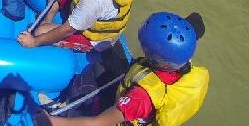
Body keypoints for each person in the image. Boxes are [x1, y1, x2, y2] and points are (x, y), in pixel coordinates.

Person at [32, 12, 210, 126]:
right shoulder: (181, 60)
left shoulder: (141, 98)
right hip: (136, 96)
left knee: (83, 87)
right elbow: (196, 23)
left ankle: (66, 110)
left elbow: (97, 123)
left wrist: (49, 121)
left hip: (123, 117)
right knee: (97, 68)